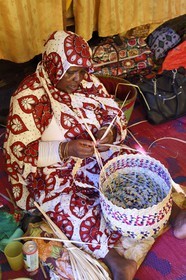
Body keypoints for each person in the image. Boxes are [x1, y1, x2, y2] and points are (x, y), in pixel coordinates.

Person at [3, 30, 185, 280]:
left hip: (93, 155)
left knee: (129, 167)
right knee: (63, 206)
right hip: (52, 170)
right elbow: (18, 151)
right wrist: (66, 149)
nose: (78, 78)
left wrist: (108, 134)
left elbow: (114, 112)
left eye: (82, 70)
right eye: (71, 72)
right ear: (54, 65)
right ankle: (117, 261)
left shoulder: (87, 82)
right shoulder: (28, 97)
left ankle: (174, 215)